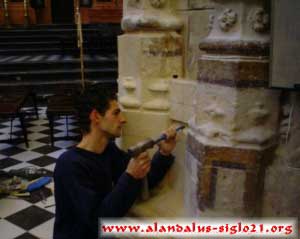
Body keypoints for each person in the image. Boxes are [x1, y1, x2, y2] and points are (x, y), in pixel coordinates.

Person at [53, 84, 178, 239]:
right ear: (96, 116)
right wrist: (130, 176)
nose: (123, 120)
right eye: (116, 113)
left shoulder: (109, 151)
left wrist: (164, 153)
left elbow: (144, 181)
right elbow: (98, 222)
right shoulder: (70, 165)